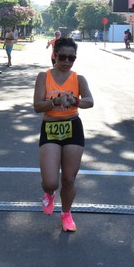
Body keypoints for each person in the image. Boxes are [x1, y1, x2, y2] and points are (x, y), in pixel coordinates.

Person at [33, 37, 94, 232]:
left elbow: (90, 101)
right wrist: (55, 102)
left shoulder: (78, 79)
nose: (67, 61)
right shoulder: (44, 76)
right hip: (50, 128)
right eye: (63, 57)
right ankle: (49, 192)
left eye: (72, 58)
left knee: (68, 179)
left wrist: (75, 102)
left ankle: (66, 214)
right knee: (51, 181)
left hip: (73, 127)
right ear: (55, 56)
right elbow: (37, 106)